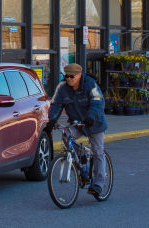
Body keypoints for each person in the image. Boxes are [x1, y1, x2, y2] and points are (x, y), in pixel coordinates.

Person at [45, 63, 108, 197]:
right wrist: (51, 120)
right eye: (66, 76)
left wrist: (91, 116)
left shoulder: (90, 84)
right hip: (77, 122)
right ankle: (81, 158)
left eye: (71, 76)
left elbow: (98, 101)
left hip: (94, 121)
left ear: (79, 75)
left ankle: (98, 184)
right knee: (67, 135)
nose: (68, 79)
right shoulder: (62, 87)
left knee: (97, 152)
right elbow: (56, 104)